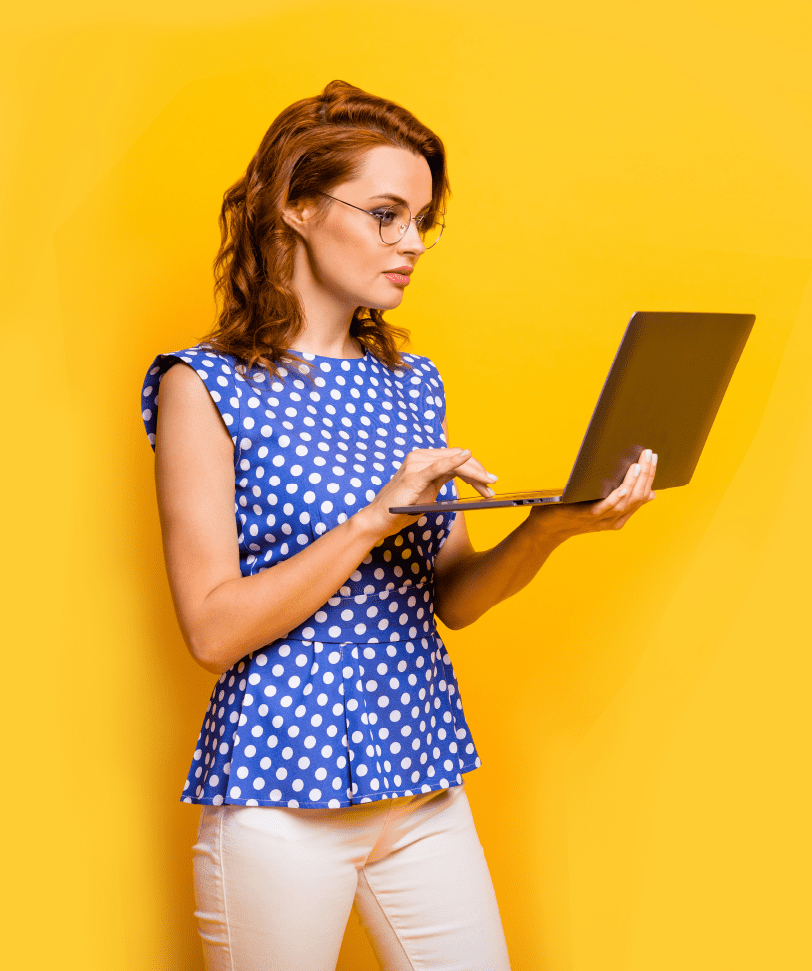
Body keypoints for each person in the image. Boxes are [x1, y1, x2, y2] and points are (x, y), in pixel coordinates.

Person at [140, 79, 657, 971]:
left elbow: (451, 596)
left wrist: (559, 524)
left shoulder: (411, 384)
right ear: (297, 206)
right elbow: (211, 627)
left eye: (421, 219)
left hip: (419, 783)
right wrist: (374, 516)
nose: (410, 242)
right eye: (385, 214)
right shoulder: (203, 385)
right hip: (279, 795)